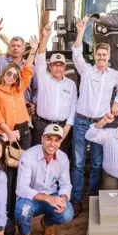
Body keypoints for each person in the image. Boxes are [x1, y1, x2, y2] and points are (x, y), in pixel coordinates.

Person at [70, 16, 118, 212]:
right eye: (99, 55)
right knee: (77, 163)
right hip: (81, 122)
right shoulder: (86, 71)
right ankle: (76, 201)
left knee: (96, 163)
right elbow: (76, 53)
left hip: (100, 125)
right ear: (94, 55)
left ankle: (93, 199)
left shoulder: (114, 75)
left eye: (104, 55)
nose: (101, 58)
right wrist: (80, 31)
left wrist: (116, 104)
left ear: (109, 56)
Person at [14, 124, 74, 235]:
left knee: (67, 213)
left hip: (51, 195)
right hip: (30, 197)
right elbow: (22, 188)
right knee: (22, 211)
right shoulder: (29, 156)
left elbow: (65, 185)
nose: (52, 144)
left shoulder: (63, 158)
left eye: (57, 140)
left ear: (60, 142)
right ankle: (24, 234)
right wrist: (48, 198)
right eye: (49, 139)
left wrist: (62, 199)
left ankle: (47, 223)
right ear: (42, 139)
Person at [32, 23, 76, 161]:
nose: (57, 68)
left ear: (64, 67)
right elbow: (39, 59)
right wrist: (45, 37)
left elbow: (73, 108)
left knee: (61, 160)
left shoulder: (71, 84)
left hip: (62, 127)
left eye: (60, 65)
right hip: (42, 125)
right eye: (54, 65)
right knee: (38, 158)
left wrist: (67, 129)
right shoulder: (43, 79)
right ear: (50, 67)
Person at [0, 36, 38, 149]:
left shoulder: (19, 89)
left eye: (15, 75)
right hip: (6, 131)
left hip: (24, 131)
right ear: (4, 73)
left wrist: (33, 52)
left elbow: (27, 71)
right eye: (9, 74)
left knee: (23, 163)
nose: (11, 77)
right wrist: (9, 133)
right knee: (7, 163)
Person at [0, 16, 37, 104]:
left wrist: (34, 104)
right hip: (4, 105)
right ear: (9, 48)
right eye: (13, 45)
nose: (15, 48)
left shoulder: (30, 67)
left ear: (23, 49)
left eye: (18, 46)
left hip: (24, 106)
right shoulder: (1, 62)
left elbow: (36, 89)